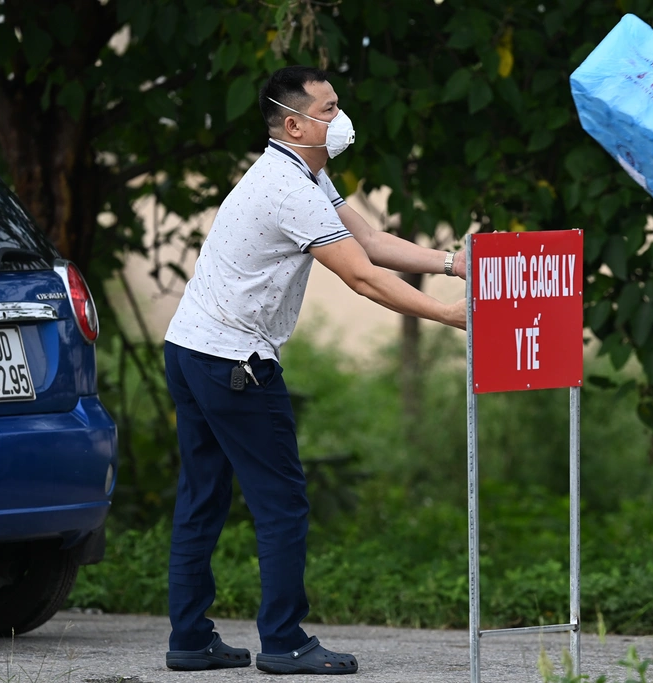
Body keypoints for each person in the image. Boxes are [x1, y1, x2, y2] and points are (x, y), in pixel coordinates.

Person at [162, 65, 467, 675]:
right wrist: (450, 315)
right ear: (294, 122)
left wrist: (455, 262)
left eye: (337, 106)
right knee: (281, 504)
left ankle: (190, 641)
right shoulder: (288, 188)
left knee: (202, 498)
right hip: (235, 363)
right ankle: (283, 641)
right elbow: (359, 276)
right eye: (328, 111)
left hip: (190, 346)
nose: (340, 119)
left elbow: (372, 242)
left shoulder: (302, 174)